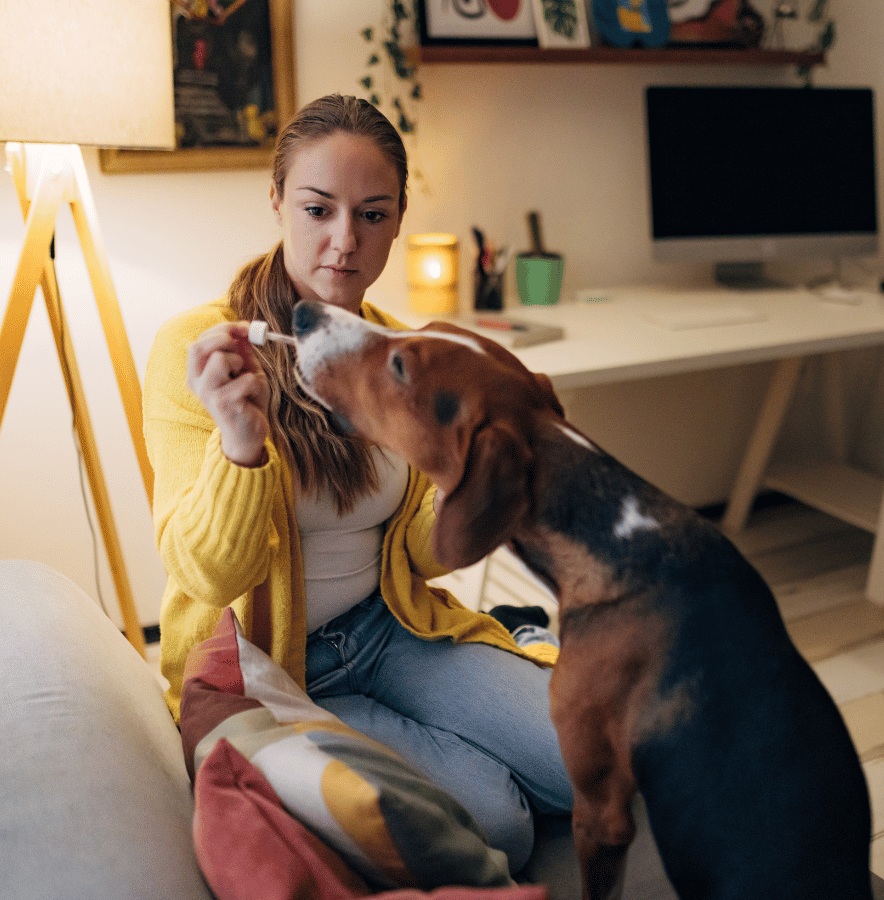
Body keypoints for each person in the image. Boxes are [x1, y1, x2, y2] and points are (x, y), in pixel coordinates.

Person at [142, 93, 572, 873]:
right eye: (318, 209)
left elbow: (414, 553)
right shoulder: (199, 351)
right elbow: (206, 573)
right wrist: (240, 445)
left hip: (390, 630)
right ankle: (493, 691)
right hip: (274, 667)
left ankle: (503, 671)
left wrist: (467, 483)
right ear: (277, 201)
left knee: (583, 763)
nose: (344, 243)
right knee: (498, 826)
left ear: (400, 217)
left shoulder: (395, 353)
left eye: (373, 215)